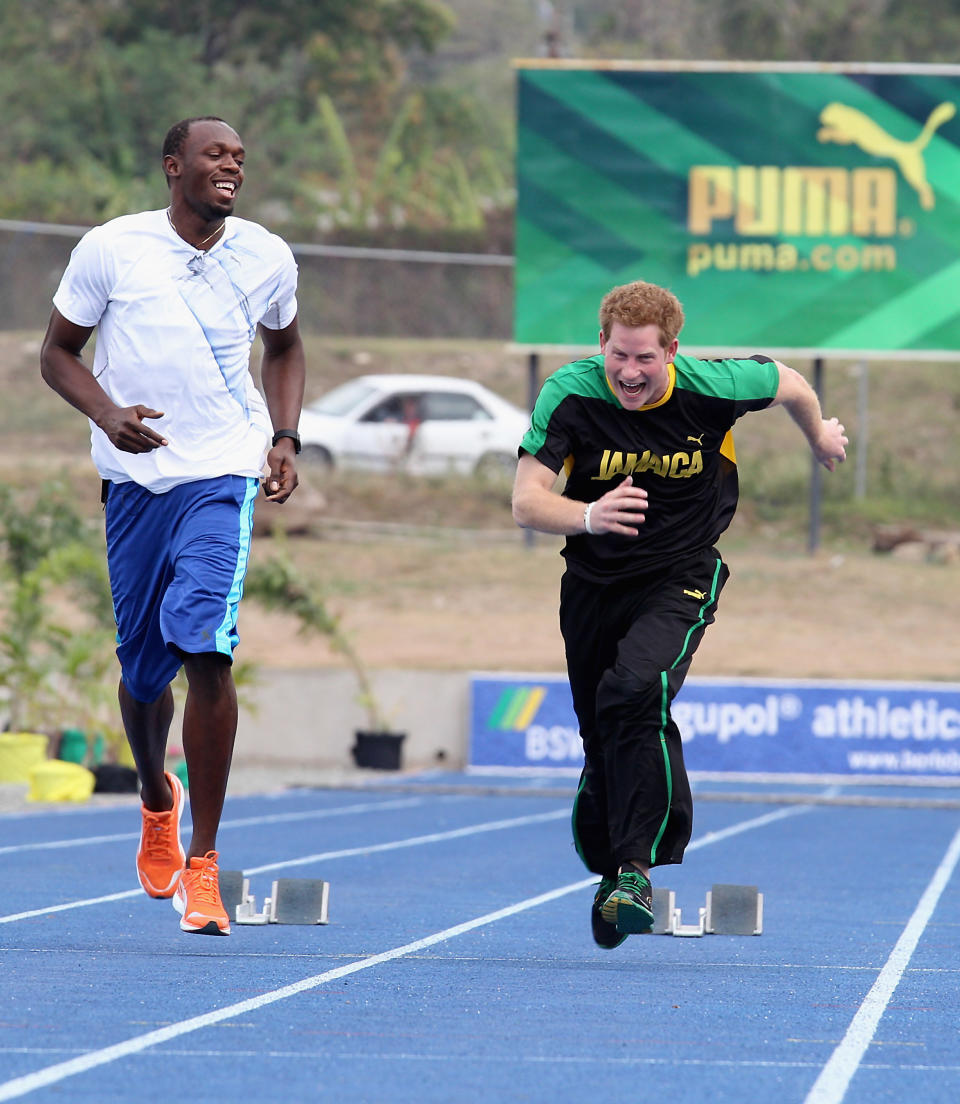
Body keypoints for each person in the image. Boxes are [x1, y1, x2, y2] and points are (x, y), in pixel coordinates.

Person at [511, 280, 847, 949]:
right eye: (619, 358)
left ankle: (636, 870)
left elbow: (789, 382)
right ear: (600, 344)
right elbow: (525, 501)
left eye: (645, 359)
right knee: (603, 727)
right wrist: (588, 516)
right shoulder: (569, 395)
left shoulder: (714, 385)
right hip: (593, 584)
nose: (630, 374)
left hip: (681, 572)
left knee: (636, 688)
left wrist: (819, 436)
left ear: (672, 351)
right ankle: (613, 877)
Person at [40, 116, 306, 936]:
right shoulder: (112, 249)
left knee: (205, 646)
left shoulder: (266, 255)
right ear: (173, 167)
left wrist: (285, 438)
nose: (232, 165)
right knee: (144, 674)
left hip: (223, 474)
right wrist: (108, 415)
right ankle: (157, 793)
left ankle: (206, 863)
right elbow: (56, 352)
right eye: (215, 154)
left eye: (239, 157)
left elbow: (286, 347)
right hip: (134, 482)